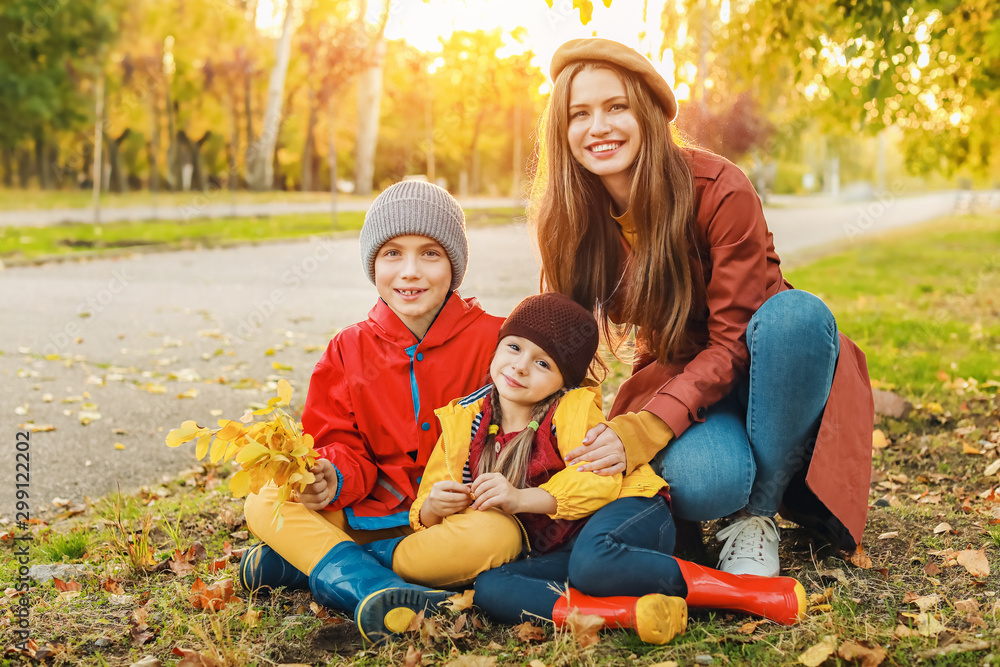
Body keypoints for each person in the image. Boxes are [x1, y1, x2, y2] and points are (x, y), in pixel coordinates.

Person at [530, 38, 875, 577]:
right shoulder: (571, 216)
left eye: (616, 106)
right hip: (685, 376)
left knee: (799, 316)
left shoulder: (719, 187)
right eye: (580, 113)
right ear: (562, 129)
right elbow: (557, 343)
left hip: (772, 368)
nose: (598, 127)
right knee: (710, 479)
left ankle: (756, 516)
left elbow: (732, 339)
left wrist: (647, 429)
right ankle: (735, 492)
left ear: (646, 113)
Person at [237, 181, 523, 643]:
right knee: (266, 497)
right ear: (373, 263)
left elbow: (526, 424)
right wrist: (331, 475)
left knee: (500, 538)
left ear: (455, 263)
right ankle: (374, 587)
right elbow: (336, 442)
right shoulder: (348, 348)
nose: (410, 272)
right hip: (366, 514)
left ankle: (303, 562)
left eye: (430, 253)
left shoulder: (496, 340)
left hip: (450, 523)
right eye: (392, 254)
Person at [365, 291, 689, 645]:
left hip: (628, 512)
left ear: (563, 380)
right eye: (515, 347)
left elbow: (598, 481)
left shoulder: (571, 408)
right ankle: (628, 616)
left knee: (593, 561)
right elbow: (430, 494)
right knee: (492, 588)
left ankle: (735, 590)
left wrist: (521, 499)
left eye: (543, 363)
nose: (520, 366)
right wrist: (431, 509)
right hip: (562, 550)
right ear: (499, 346)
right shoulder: (466, 421)